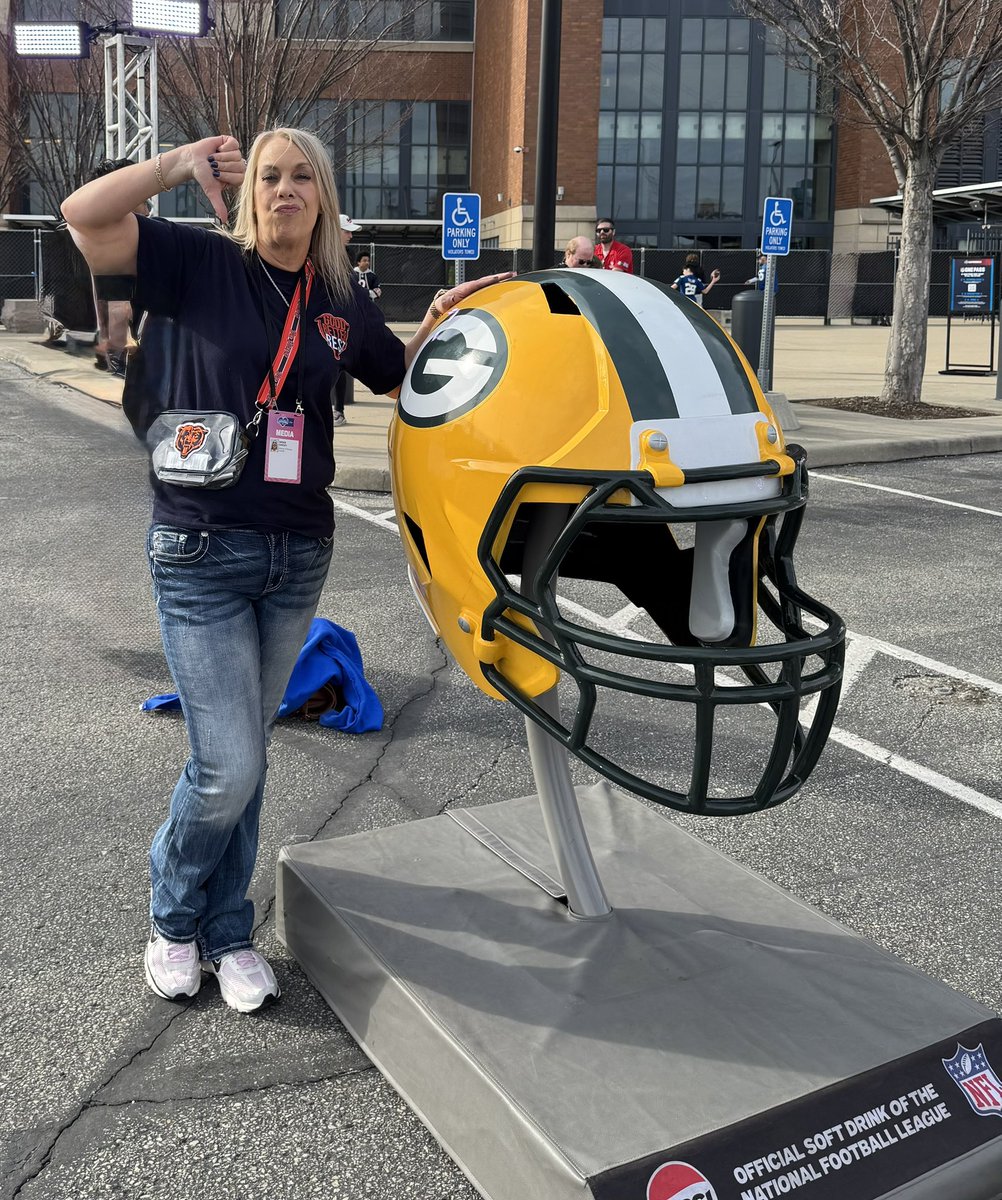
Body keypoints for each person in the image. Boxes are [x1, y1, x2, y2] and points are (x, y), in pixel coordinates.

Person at [60, 127, 510, 1014]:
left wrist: (454, 326)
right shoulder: (195, 263)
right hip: (198, 547)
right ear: (249, 192)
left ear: (324, 197)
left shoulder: (340, 297)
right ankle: (172, 914)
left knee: (250, 757)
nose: (285, 190)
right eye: (270, 176)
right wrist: (178, 164)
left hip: (299, 551)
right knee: (225, 763)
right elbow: (84, 215)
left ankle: (228, 932)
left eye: (303, 177)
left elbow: (406, 379)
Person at [89, 157, 150, 376]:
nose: (148, 207)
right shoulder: (116, 247)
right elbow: (119, 309)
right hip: (132, 359)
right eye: (142, 198)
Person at [333, 213, 363, 426]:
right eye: (346, 230)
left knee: (339, 367)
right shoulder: (314, 254)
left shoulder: (346, 257)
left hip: (339, 322)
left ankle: (338, 410)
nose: (350, 235)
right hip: (322, 322)